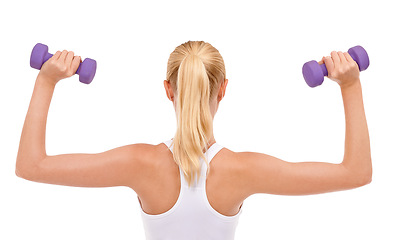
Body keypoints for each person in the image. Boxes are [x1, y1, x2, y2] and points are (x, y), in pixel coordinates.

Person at [16, 41, 372, 240]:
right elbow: (356, 173)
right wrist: (351, 86)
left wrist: (46, 81)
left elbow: (32, 166)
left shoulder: (139, 164)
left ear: (168, 90)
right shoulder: (243, 170)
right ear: (224, 89)